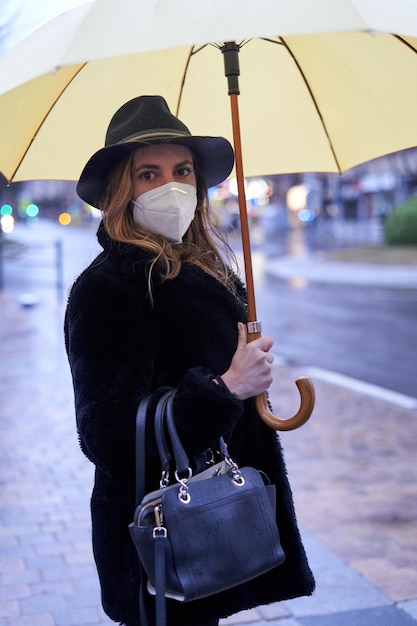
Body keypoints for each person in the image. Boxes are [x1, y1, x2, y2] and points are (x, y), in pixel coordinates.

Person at [64, 95, 315, 626]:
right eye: (148, 174)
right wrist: (223, 389)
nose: (170, 186)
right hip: (159, 532)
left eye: (182, 171)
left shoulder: (202, 269)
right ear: (119, 190)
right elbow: (105, 431)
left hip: (213, 516)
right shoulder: (108, 288)